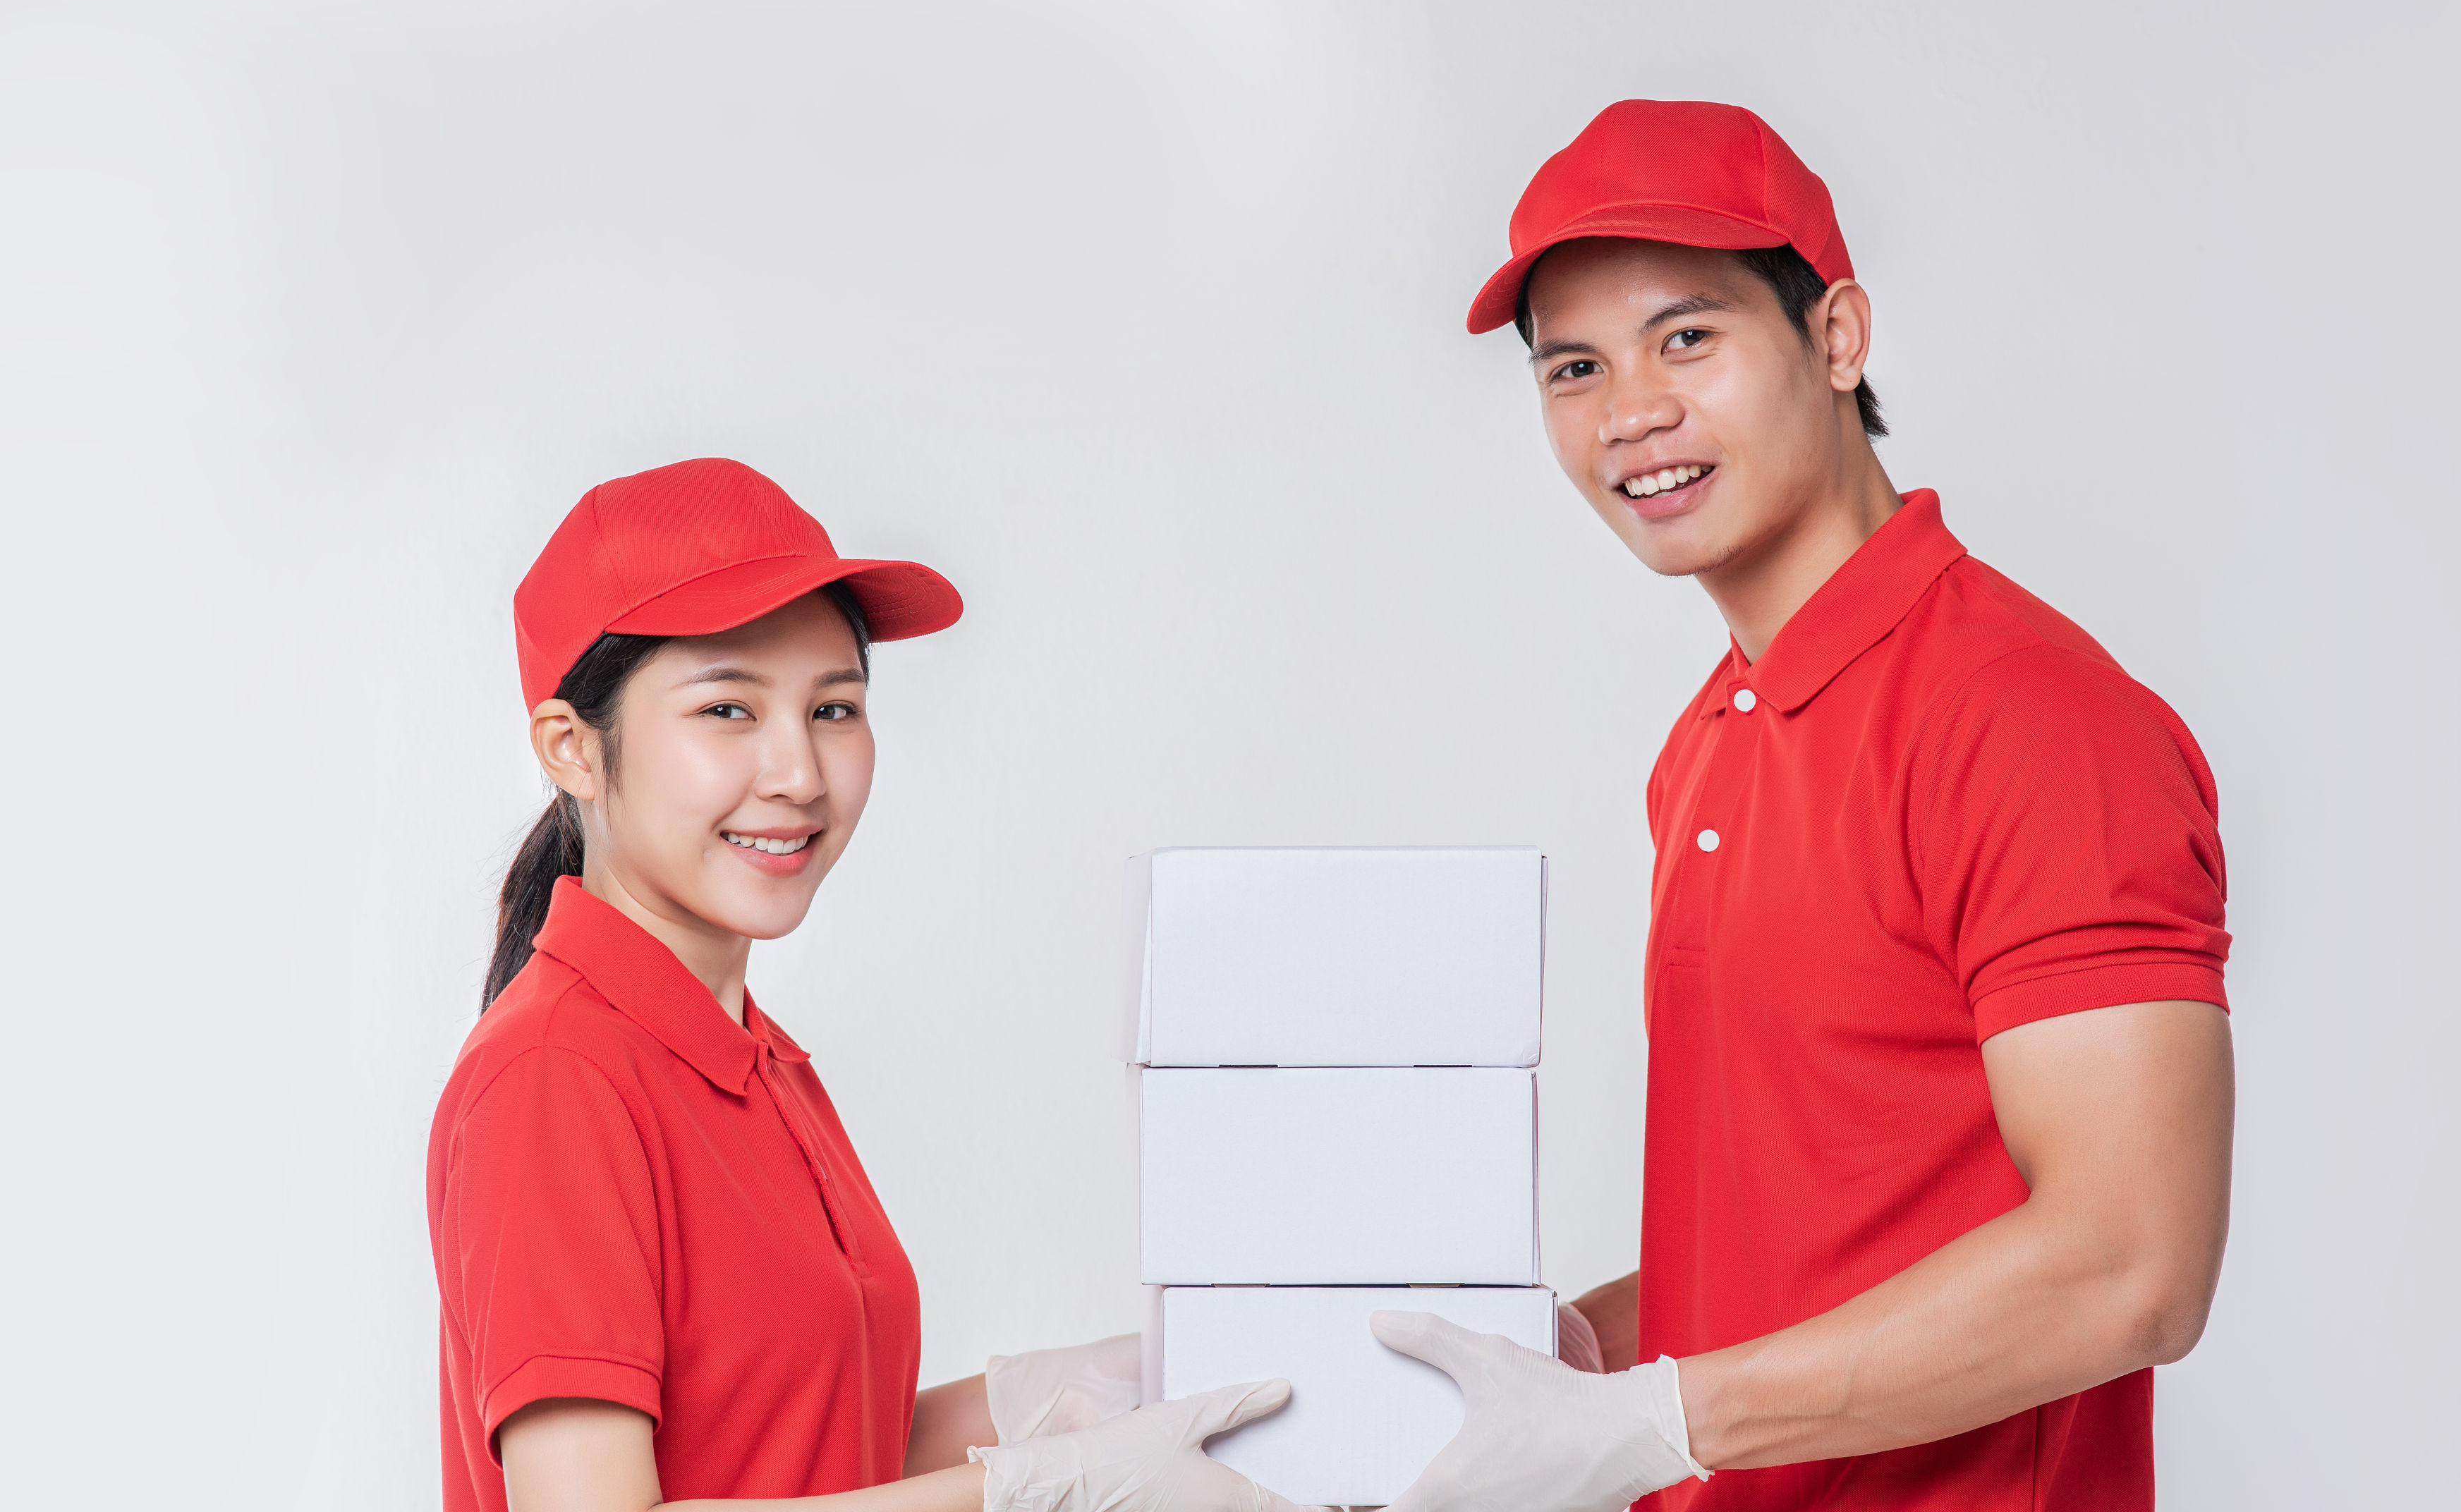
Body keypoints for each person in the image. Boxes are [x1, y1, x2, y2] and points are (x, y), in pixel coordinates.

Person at [1373, 101, 2236, 1511]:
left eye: (1687, 337)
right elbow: (1816, 1237)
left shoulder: (2029, 719)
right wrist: (1566, 1360)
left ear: (1837, 338)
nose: (1631, 413)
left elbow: (2130, 1267)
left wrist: (1658, 1419)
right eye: (1573, 367)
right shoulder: (1711, 739)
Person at [427, 457, 1306, 1512]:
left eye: (834, 710)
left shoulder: (756, 1059)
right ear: (571, 748)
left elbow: (815, 1445)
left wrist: (1061, 1400)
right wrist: (1029, 1495)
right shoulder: (557, 1074)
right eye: (728, 711)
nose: (800, 773)